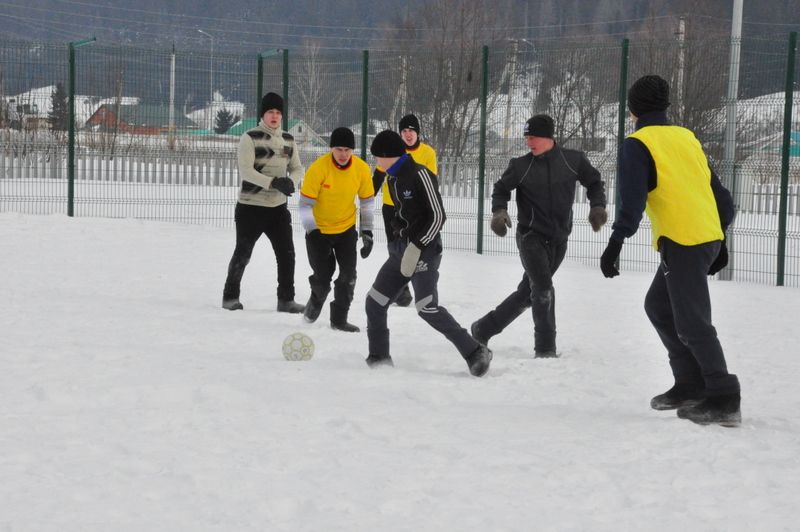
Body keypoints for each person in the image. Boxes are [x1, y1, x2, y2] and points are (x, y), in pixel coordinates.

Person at [600, 74, 740, 427]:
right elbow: (720, 194)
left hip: (684, 240)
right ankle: (690, 383)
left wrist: (615, 243)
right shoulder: (686, 137)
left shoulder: (638, 143)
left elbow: (631, 201)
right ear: (665, 106)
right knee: (659, 306)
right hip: (702, 236)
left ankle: (723, 396)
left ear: (631, 109)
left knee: (693, 322)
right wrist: (719, 237)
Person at [470, 114, 608, 357]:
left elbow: (595, 183)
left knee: (529, 292)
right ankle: (545, 348)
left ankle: (484, 328)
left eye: (533, 137)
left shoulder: (572, 160)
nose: (529, 142)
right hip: (530, 237)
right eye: (527, 137)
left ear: (548, 137)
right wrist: (499, 213)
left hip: (559, 239)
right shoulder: (520, 166)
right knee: (543, 288)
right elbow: (501, 189)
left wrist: (597, 206)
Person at [364, 130, 492, 377]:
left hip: (425, 250)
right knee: (375, 302)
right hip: (401, 251)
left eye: (378, 157)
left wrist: (418, 244)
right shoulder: (392, 178)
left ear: (389, 155)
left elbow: (438, 216)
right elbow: (403, 214)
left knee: (426, 307)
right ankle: (379, 358)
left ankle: (476, 351)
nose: (376, 162)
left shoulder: (420, 174)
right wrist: (399, 234)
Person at [221, 92, 305, 313]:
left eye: (278, 112)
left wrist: (290, 182)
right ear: (263, 114)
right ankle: (230, 297)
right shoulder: (249, 137)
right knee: (243, 252)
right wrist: (272, 183)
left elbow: (297, 167)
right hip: (251, 207)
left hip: (278, 209)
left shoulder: (288, 139)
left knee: (287, 254)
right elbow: (246, 171)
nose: (275, 116)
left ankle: (286, 300)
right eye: (270, 112)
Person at [298, 127, 375, 332]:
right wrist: (313, 232)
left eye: (348, 150)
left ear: (353, 150)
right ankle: (315, 301)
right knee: (323, 279)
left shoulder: (361, 169)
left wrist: (367, 232)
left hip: (346, 229)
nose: (343, 154)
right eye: (339, 149)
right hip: (318, 231)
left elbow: (367, 201)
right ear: (331, 148)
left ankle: (339, 319)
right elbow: (304, 205)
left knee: (348, 276)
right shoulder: (319, 168)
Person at [371, 114, 438, 307]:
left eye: (411, 131)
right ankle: (401, 290)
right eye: (404, 131)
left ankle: (424, 286)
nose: (408, 135)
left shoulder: (428, 153)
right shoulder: (392, 150)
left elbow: (432, 182)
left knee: (416, 246)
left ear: (418, 133)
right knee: (395, 247)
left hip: (415, 209)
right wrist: (367, 197)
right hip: (391, 206)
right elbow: (377, 176)